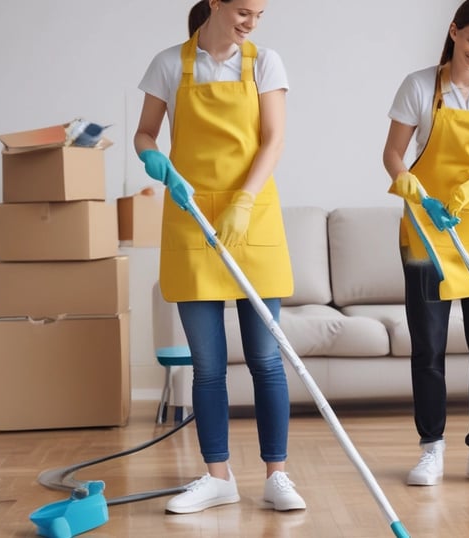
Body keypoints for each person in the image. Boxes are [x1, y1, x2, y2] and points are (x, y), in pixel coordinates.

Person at [134, 0, 306, 514]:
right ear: (215, 3)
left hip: (251, 217)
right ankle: (218, 477)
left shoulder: (265, 62)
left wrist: (244, 202)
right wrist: (153, 157)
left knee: (265, 359)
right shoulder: (169, 63)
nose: (251, 22)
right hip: (191, 217)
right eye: (243, 11)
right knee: (207, 367)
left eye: (259, 14)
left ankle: (277, 475)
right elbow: (145, 132)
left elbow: (273, 141)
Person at [382, 0, 469, 487]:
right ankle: (432, 449)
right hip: (427, 231)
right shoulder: (420, 86)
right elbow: (393, 153)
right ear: (453, 32)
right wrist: (405, 180)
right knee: (428, 347)